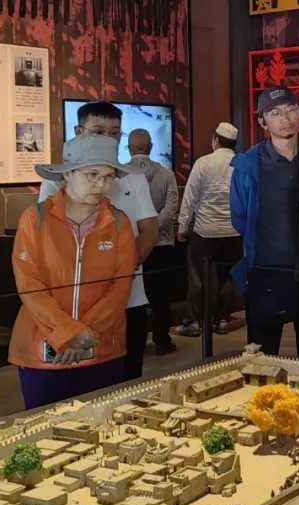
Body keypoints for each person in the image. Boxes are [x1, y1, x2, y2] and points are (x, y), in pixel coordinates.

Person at [10, 134, 136, 409]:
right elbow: (29, 285)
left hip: (102, 349)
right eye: (92, 175)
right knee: (44, 429)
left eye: (108, 177)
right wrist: (67, 333)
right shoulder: (35, 219)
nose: (101, 184)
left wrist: (85, 335)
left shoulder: (119, 223)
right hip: (41, 352)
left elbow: (120, 287)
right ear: (68, 174)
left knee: (103, 427)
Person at [39, 102, 157, 381]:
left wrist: (121, 273)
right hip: (71, 304)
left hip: (128, 299)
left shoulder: (133, 179)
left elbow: (149, 229)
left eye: (114, 133)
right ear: (79, 131)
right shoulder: (54, 186)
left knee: (125, 381)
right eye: (98, 131)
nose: (107, 139)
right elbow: (47, 243)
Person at [229, 87, 299, 358]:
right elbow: (239, 217)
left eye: (291, 109)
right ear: (262, 121)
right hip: (266, 271)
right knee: (262, 356)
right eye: (275, 113)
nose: (285, 118)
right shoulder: (247, 165)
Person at [178, 122, 244, 336]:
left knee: (197, 278)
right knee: (227, 277)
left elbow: (190, 197)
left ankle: (193, 322)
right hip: (234, 232)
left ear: (215, 140)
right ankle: (222, 320)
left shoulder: (203, 163)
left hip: (205, 231)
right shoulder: (241, 164)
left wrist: (182, 225)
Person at [127, 128, 180, 354]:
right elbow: (172, 207)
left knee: (131, 298)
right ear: (150, 147)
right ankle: (162, 341)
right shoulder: (166, 174)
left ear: (129, 148)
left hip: (132, 245)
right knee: (161, 298)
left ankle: (132, 344)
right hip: (162, 244)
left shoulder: (122, 175)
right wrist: (153, 227)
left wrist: (141, 232)